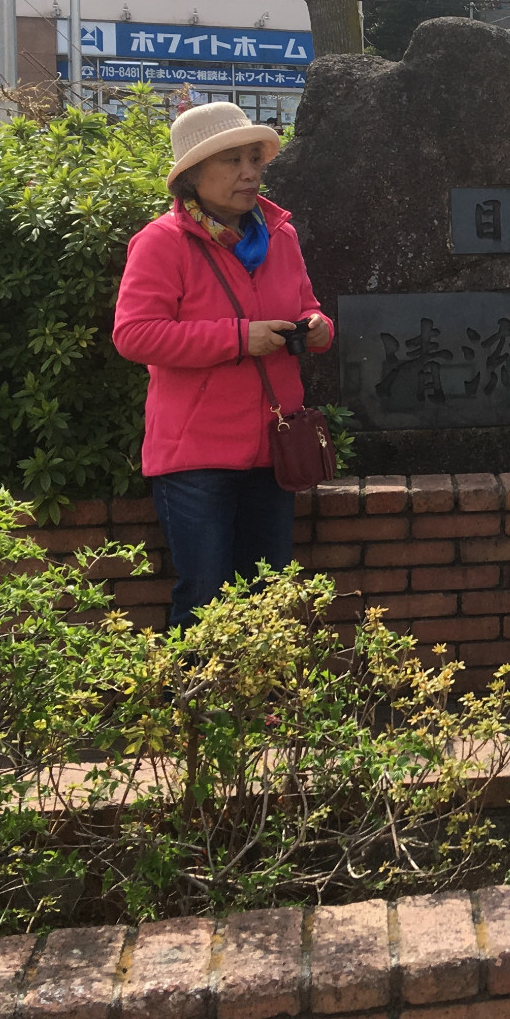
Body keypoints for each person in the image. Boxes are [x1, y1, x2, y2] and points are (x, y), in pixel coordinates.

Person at [113, 101, 334, 630]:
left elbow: (305, 303)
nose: (250, 172)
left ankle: (263, 713)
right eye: (232, 160)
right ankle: (196, 713)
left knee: (269, 598)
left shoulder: (279, 235)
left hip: (273, 448)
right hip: (196, 457)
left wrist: (319, 326)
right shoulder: (161, 243)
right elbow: (134, 335)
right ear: (193, 174)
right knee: (204, 601)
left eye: (254, 159)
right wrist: (239, 339)